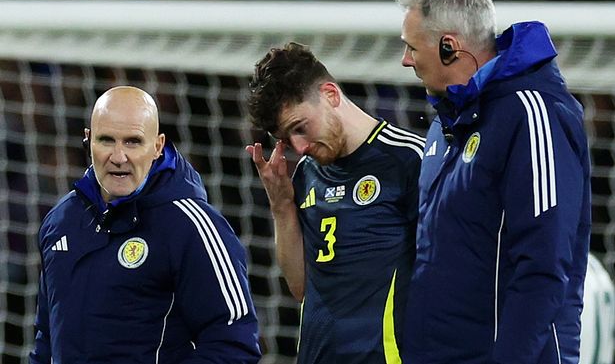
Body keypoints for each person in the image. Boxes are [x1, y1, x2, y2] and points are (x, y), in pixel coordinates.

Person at [393, 0, 591, 363]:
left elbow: (544, 265)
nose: (405, 59)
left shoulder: (533, 115)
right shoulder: (446, 123)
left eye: (412, 47)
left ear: (449, 47)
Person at [29, 86, 261, 363]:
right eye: (106, 140)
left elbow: (234, 345)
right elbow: (46, 338)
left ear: (157, 146)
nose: (118, 157)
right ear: (88, 140)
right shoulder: (60, 222)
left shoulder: (190, 226)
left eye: (132, 142)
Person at [245, 42, 424, 363]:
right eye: (287, 140)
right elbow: (300, 288)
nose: (299, 147)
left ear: (330, 95)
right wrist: (282, 207)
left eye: (300, 128)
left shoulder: (410, 160)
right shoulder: (306, 173)